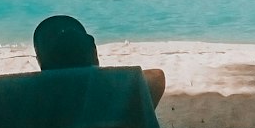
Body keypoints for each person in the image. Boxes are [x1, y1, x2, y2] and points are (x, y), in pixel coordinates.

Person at [32, 16, 165, 107]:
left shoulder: (29, 97)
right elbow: (157, 76)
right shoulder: (114, 95)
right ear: (93, 55)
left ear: (41, 61)